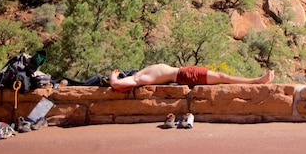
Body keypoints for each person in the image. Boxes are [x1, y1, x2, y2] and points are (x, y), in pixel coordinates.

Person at [109, 64, 274, 91]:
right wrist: (113, 78)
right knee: (223, 76)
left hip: (184, 72)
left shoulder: (139, 74)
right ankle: (257, 81)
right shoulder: (139, 79)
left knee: (222, 76)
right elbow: (116, 85)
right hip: (184, 75)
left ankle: (257, 80)